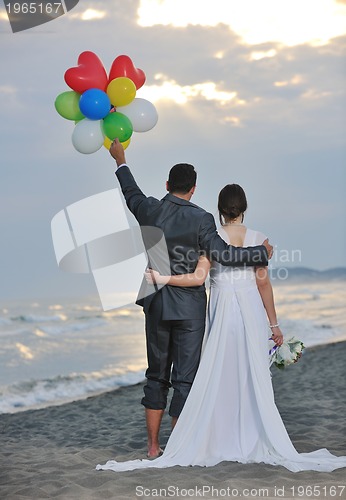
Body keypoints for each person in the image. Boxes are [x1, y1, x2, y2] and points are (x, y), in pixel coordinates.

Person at [97, 183, 346, 473]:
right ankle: (252, 433)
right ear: (244, 209)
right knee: (252, 372)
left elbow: (199, 276)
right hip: (251, 310)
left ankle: (219, 434)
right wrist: (274, 324)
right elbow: (263, 283)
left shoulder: (210, 238)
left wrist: (163, 278)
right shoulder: (259, 240)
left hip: (222, 310)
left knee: (219, 371)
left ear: (219, 210)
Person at [108, 139, 272, 458]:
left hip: (156, 302)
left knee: (156, 375)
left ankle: (154, 447)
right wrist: (258, 253)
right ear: (193, 190)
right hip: (190, 309)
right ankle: (178, 448)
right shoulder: (201, 219)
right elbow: (222, 254)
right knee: (184, 378)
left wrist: (120, 160)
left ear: (167, 185)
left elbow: (130, 191)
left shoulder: (149, 208)